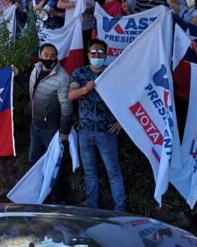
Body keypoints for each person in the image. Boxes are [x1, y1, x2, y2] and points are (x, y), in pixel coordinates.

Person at [69, 39, 125, 211]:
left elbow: (126, 99)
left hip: (106, 132)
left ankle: (120, 209)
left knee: (113, 172)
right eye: (93, 52)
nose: (97, 55)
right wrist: (84, 90)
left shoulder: (113, 73)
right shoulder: (80, 72)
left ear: (106, 54)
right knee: (90, 173)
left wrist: (121, 122)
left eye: (100, 52)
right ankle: (92, 208)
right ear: (88, 54)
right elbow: (71, 95)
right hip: (84, 132)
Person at [28, 43, 72, 202]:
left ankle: (57, 200)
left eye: (52, 55)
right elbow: (33, 94)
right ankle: (39, 197)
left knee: (54, 166)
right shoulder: (36, 69)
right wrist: (18, 75)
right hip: (35, 126)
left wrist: (64, 132)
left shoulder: (62, 77)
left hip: (52, 130)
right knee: (34, 161)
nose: (49, 58)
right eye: (46, 55)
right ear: (40, 55)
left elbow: (66, 107)